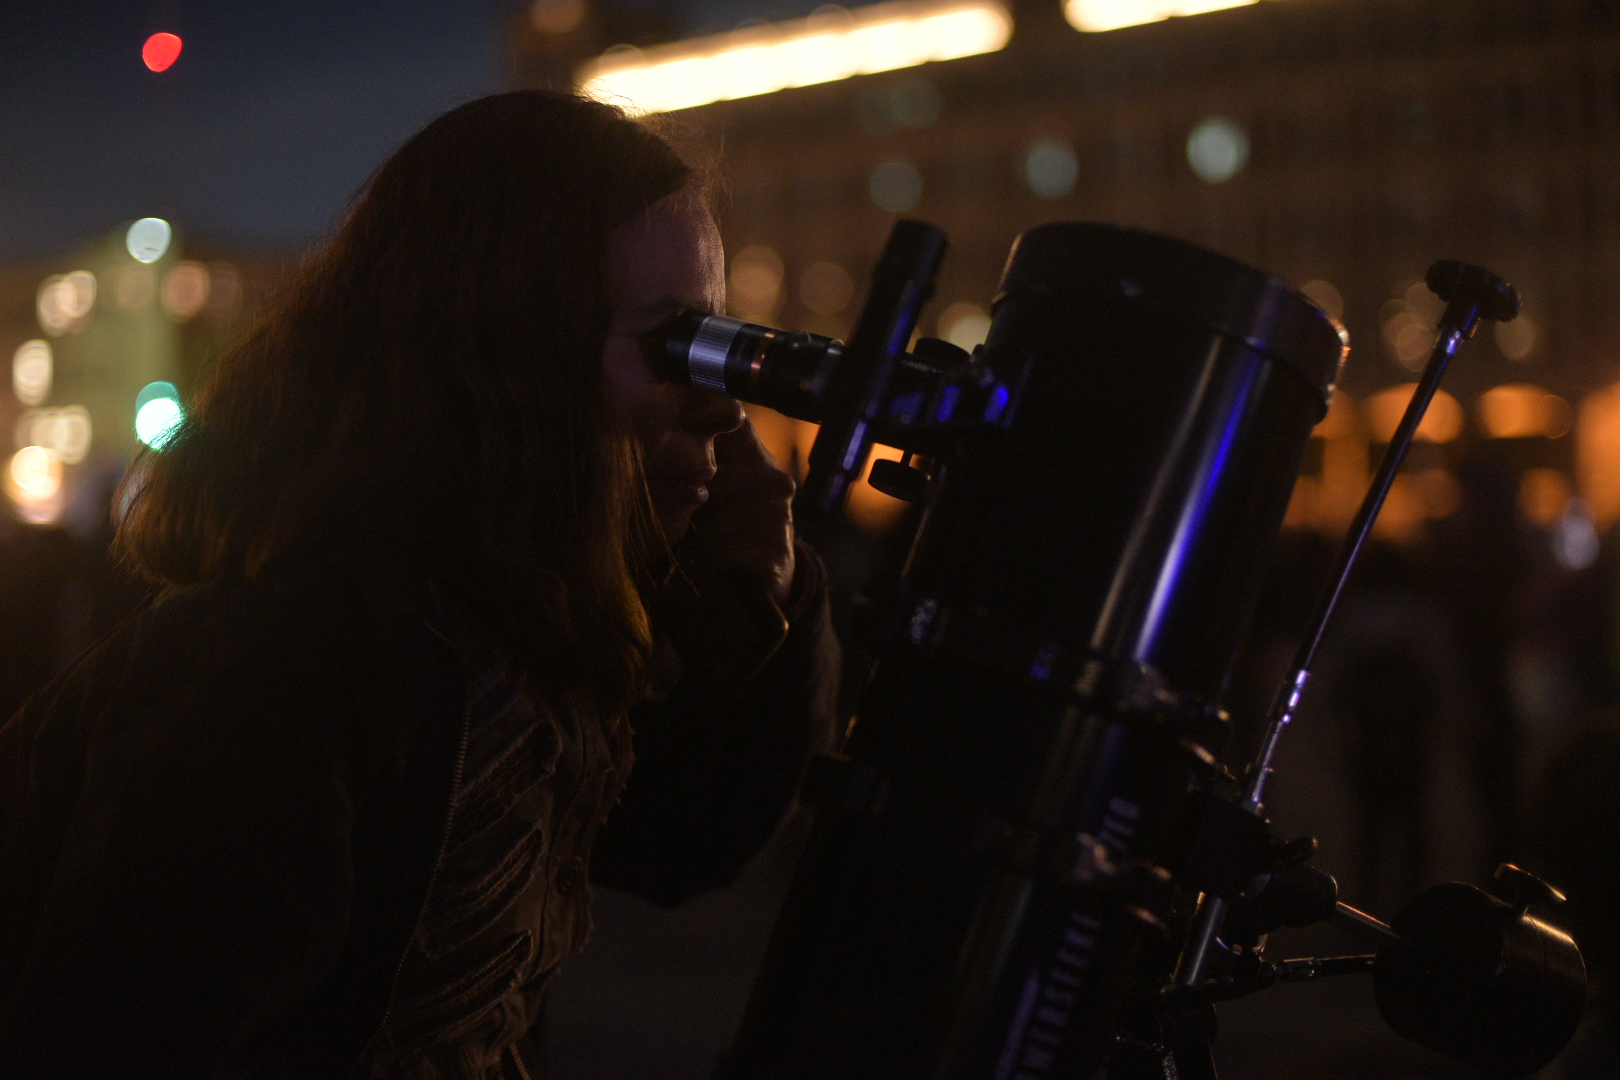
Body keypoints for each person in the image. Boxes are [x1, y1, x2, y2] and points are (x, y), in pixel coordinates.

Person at [0, 90, 839, 1079]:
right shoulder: (288, 670)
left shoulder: (492, 626)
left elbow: (685, 834)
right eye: (671, 344)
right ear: (508, 353)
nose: (715, 404)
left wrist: (766, 597)